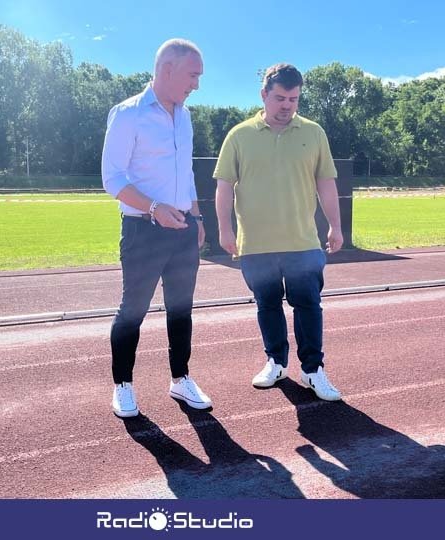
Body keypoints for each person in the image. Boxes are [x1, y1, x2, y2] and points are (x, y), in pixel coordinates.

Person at [213, 63, 343, 401]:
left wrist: (336, 225)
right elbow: (224, 186)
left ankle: (313, 369)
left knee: (309, 306)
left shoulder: (314, 133)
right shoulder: (239, 135)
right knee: (267, 305)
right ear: (264, 95)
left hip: (302, 241)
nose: (287, 105)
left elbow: (326, 183)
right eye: (281, 98)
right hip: (256, 244)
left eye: (294, 98)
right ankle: (276, 362)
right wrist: (225, 230)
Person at [101, 38, 212, 418]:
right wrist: (154, 208)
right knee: (133, 309)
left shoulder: (185, 116)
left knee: (181, 309)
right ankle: (123, 386)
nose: (196, 84)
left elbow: (187, 174)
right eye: (193, 75)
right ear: (167, 68)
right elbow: (112, 178)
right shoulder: (128, 114)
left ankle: (180, 379)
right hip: (143, 229)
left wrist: (195, 217)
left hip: (182, 229)